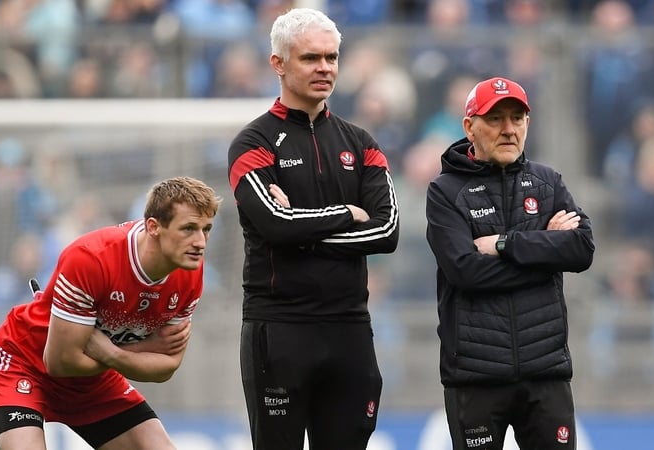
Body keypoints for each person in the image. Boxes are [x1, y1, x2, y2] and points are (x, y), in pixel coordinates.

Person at [226, 8, 400, 450]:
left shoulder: (362, 144)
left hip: (349, 328)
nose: (324, 67)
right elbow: (272, 225)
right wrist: (347, 212)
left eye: (332, 57)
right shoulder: (253, 143)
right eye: (310, 58)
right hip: (280, 329)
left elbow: (387, 232)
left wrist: (299, 228)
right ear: (278, 64)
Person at [0, 176, 221, 450]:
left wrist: (114, 353)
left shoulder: (191, 273)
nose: (200, 242)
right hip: (24, 362)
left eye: (206, 229)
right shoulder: (91, 258)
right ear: (153, 227)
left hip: (92, 378)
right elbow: (59, 362)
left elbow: (166, 366)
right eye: (189, 228)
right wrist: (142, 350)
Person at [425, 76, 595, 450]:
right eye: (495, 118)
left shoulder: (547, 182)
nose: (508, 129)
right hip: (476, 376)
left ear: (527, 124)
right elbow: (465, 271)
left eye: (517, 119)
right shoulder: (445, 191)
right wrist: (547, 250)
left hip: (545, 373)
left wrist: (505, 244)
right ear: (470, 127)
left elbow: (582, 249)